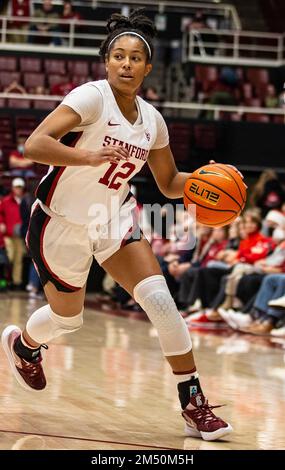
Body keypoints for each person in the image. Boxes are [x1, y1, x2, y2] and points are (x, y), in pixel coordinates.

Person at [1, 9, 234, 441]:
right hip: (60, 223)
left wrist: (205, 181)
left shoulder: (153, 120)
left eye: (135, 58)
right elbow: (35, 144)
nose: (126, 64)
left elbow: (168, 184)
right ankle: (24, 345)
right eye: (118, 56)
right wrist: (85, 157)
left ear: (148, 67)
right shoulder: (90, 97)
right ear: (106, 61)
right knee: (68, 320)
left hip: (113, 217)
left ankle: (193, 402)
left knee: (161, 301)